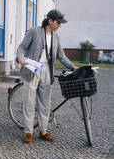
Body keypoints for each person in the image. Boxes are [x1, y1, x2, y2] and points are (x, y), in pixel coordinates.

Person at [16, 9, 77, 144]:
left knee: (45, 103)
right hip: (32, 68)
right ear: (50, 21)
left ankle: (43, 131)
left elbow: (61, 56)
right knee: (29, 102)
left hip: (46, 70)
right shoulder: (34, 31)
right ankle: (28, 132)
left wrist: (72, 67)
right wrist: (20, 57)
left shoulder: (56, 37)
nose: (60, 25)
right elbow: (22, 47)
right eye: (58, 23)